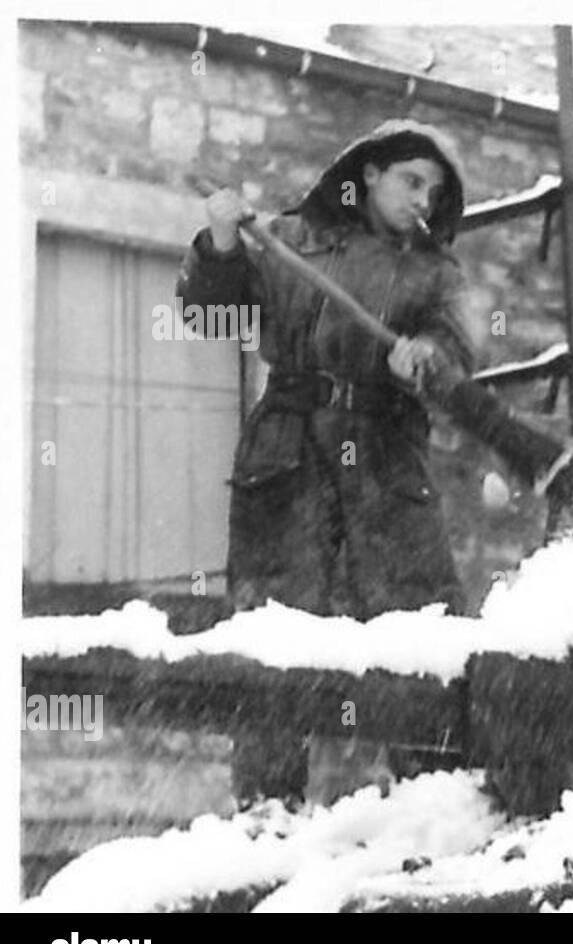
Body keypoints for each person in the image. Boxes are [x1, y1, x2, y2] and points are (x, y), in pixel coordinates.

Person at [177, 120, 476, 620]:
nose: (425, 200)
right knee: (276, 622)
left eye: (435, 191)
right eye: (413, 181)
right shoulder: (291, 240)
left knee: (411, 623)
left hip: (387, 452)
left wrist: (426, 355)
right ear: (373, 174)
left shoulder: (435, 272)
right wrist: (222, 243)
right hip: (287, 447)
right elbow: (207, 316)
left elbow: (458, 350)